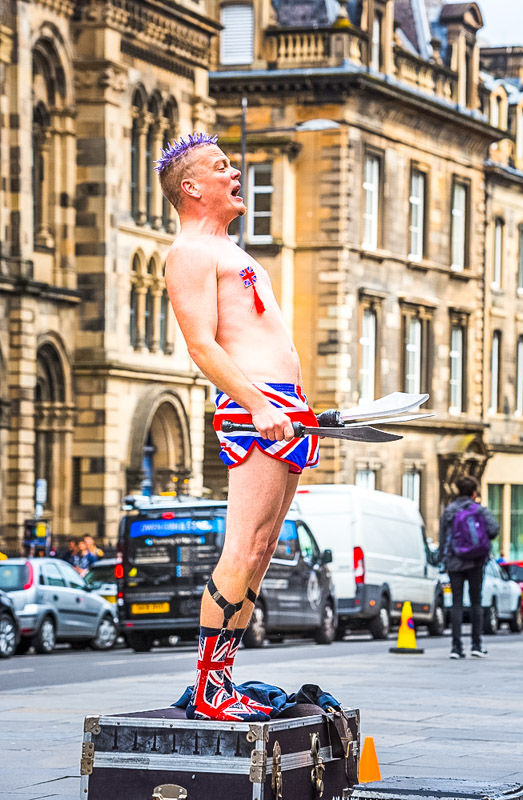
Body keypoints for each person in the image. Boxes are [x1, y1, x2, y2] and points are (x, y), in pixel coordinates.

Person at [156, 133, 319, 721]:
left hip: (283, 405)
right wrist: (257, 403)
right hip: (260, 409)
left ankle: (221, 680)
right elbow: (201, 345)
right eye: (221, 166)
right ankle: (208, 689)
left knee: (263, 549)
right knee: (243, 544)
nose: (235, 173)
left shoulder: (228, 249)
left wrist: (286, 403)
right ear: (191, 187)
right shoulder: (191, 252)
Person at [438, 476, 499, 659]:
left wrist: (444, 561)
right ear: (474, 492)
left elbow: (442, 539)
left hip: (455, 562)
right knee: (476, 603)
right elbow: (494, 529)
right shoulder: (479, 510)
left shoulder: (449, 511)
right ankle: (476, 645)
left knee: (456, 603)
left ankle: (456, 648)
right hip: (475, 562)